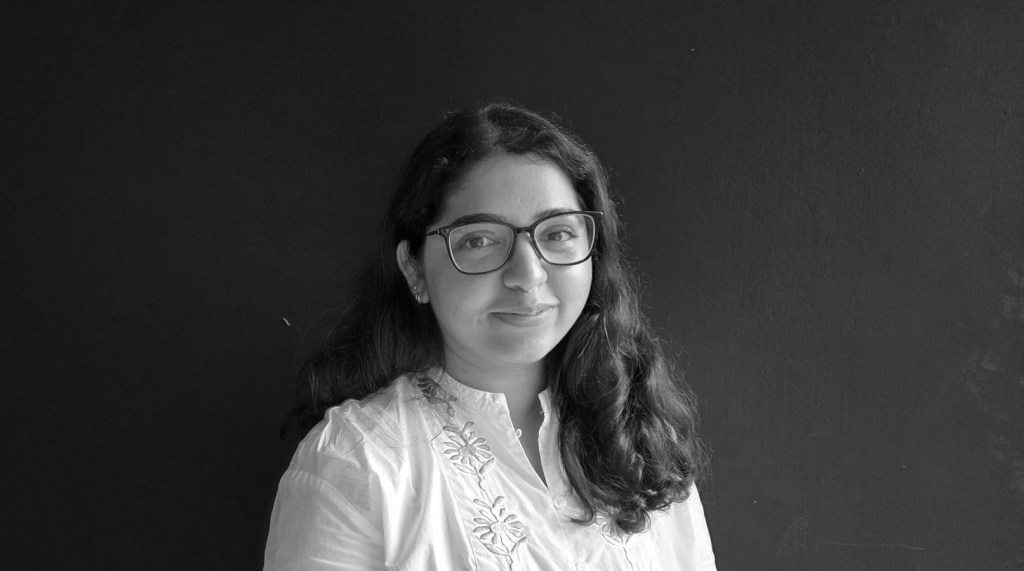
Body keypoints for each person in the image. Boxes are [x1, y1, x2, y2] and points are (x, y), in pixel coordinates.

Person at [264, 102, 715, 570]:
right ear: (414, 269)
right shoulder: (356, 464)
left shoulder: (640, 438)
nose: (528, 274)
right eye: (479, 240)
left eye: (558, 233)